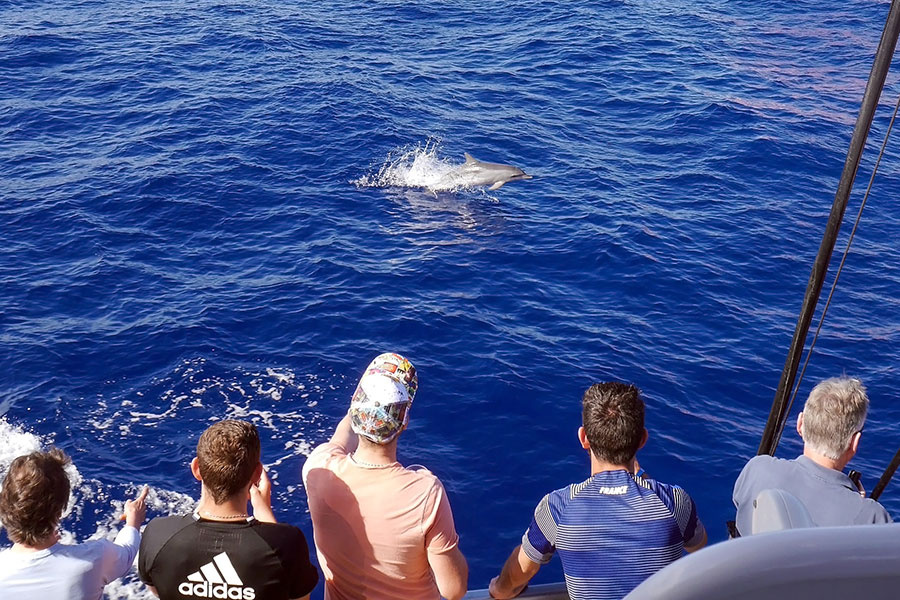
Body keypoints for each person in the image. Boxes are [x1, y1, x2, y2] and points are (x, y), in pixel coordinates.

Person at [489, 382, 707, 600]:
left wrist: (500, 589)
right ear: (642, 439)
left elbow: (523, 569)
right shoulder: (675, 502)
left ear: (583, 438)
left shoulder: (557, 507)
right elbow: (700, 548)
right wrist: (643, 480)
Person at [302, 352, 468, 600]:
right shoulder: (425, 493)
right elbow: (453, 590)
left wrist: (362, 403)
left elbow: (339, 438)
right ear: (404, 423)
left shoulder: (318, 469)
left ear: (355, 410)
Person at [138, 420, 318, 600]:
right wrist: (264, 514)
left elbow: (159, 591)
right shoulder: (288, 544)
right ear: (257, 474)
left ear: (196, 469)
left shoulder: (158, 535)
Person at [733, 376, 892, 535]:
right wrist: (859, 505)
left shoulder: (757, 468)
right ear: (854, 443)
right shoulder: (872, 517)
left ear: (800, 424)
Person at [0, 448, 148, 599]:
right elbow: (128, 552)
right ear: (59, 511)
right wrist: (133, 520)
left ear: (5, 505)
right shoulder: (95, 558)